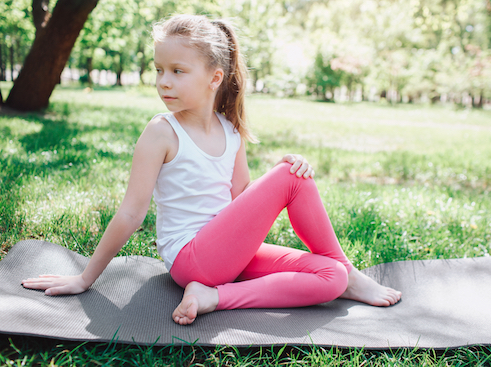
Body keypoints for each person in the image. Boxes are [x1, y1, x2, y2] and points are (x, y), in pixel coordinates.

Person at [22, 14, 401, 325]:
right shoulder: (161, 132)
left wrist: (282, 179)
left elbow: (242, 201)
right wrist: (85, 277)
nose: (163, 81)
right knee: (289, 175)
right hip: (191, 259)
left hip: (227, 257)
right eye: (159, 70)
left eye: (177, 71)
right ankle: (349, 273)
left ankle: (221, 296)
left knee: (328, 277)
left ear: (214, 78)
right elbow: (130, 213)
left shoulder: (230, 130)